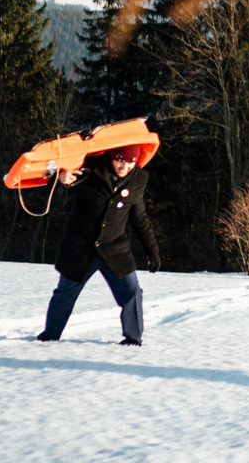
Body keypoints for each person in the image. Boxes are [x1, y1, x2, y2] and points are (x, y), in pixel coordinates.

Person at [35, 144, 161, 346]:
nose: (124, 166)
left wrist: (152, 251)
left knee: (132, 293)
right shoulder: (91, 168)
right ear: (112, 156)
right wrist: (60, 179)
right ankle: (49, 336)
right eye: (120, 159)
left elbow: (140, 219)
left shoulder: (139, 179)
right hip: (80, 248)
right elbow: (56, 192)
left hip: (114, 250)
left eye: (130, 161)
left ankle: (133, 339)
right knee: (65, 294)